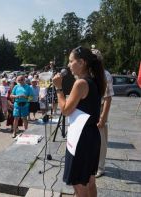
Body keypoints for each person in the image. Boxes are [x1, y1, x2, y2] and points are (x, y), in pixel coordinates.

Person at [53, 46, 106, 197]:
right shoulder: (94, 80)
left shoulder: (81, 83)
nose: (68, 65)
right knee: (90, 181)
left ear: (82, 62)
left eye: (71, 61)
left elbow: (65, 110)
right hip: (91, 136)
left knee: (78, 184)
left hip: (81, 138)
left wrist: (58, 88)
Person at [91, 48, 114, 178]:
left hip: (99, 111)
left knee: (101, 141)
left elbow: (108, 98)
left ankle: (100, 167)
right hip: (87, 111)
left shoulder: (105, 75)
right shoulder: (87, 74)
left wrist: (103, 118)